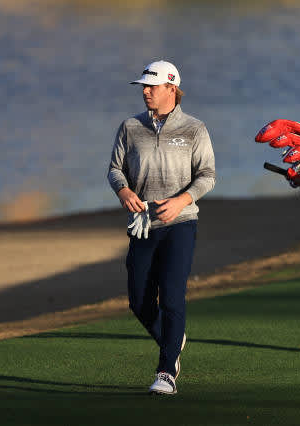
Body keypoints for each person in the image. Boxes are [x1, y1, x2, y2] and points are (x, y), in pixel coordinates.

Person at [107, 60, 216, 393]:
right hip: (143, 224)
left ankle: (166, 371)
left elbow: (207, 176)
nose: (146, 92)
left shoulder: (194, 129)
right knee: (139, 300)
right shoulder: (130, 127)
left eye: (152, 86)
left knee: (172, 297)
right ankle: (173, 338)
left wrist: (182, 201)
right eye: (144, 86)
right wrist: (123, 190)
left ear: (172, 88)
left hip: (180, 223)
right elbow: (115, 169)